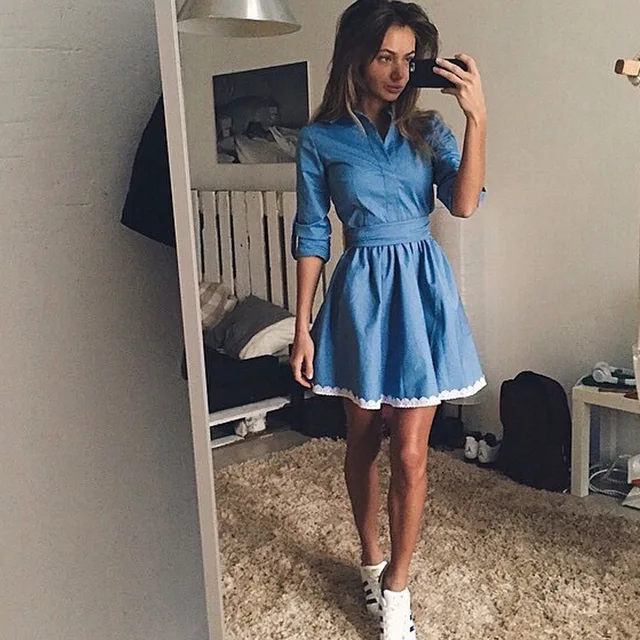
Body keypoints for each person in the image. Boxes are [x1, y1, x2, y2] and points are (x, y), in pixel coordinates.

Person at [289, 1, 486, 638]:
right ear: (355, 57)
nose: (400, 73)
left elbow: (463, 204)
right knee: (363, 440)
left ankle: (397, 588)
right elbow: (313, 233)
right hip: (359, 296)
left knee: (410, 451)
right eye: (384, 57)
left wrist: (477, 117)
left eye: (409, 59)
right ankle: (371, 561)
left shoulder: (430, 129)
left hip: (421, 292)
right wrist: (302, 328)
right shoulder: (320, 139)